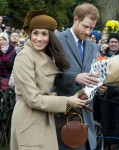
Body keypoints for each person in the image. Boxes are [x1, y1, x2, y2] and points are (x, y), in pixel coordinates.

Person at [10, 10, 91, 150]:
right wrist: (67, 101)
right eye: (35, 33)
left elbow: (56, 80)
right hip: (29, 120)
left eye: (44, 34)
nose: (39, 38)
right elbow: (33, 99)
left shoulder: (45, 56)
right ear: (30, 34)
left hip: (45, 119)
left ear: (50, 37)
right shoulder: (24, 57)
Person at [54, 3, 100, 150]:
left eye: (92, 28)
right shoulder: (57, 40)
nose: (88, 32)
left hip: (86, 119)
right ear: (75, 20)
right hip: (62, 117)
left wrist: (101, 85)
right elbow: (47, 76)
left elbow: (93, 75)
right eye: (85, 26)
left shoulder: (93, 47)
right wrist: (74, 77)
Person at [96, 33, 119, 150]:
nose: (113, 44)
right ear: (108, 44)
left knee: (116, 122)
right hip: (104, 97)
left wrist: (113, 88)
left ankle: (114, 144)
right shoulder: (101, 57)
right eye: (112, 42)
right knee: (105, 121)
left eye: (116, 42)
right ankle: (105, 143)